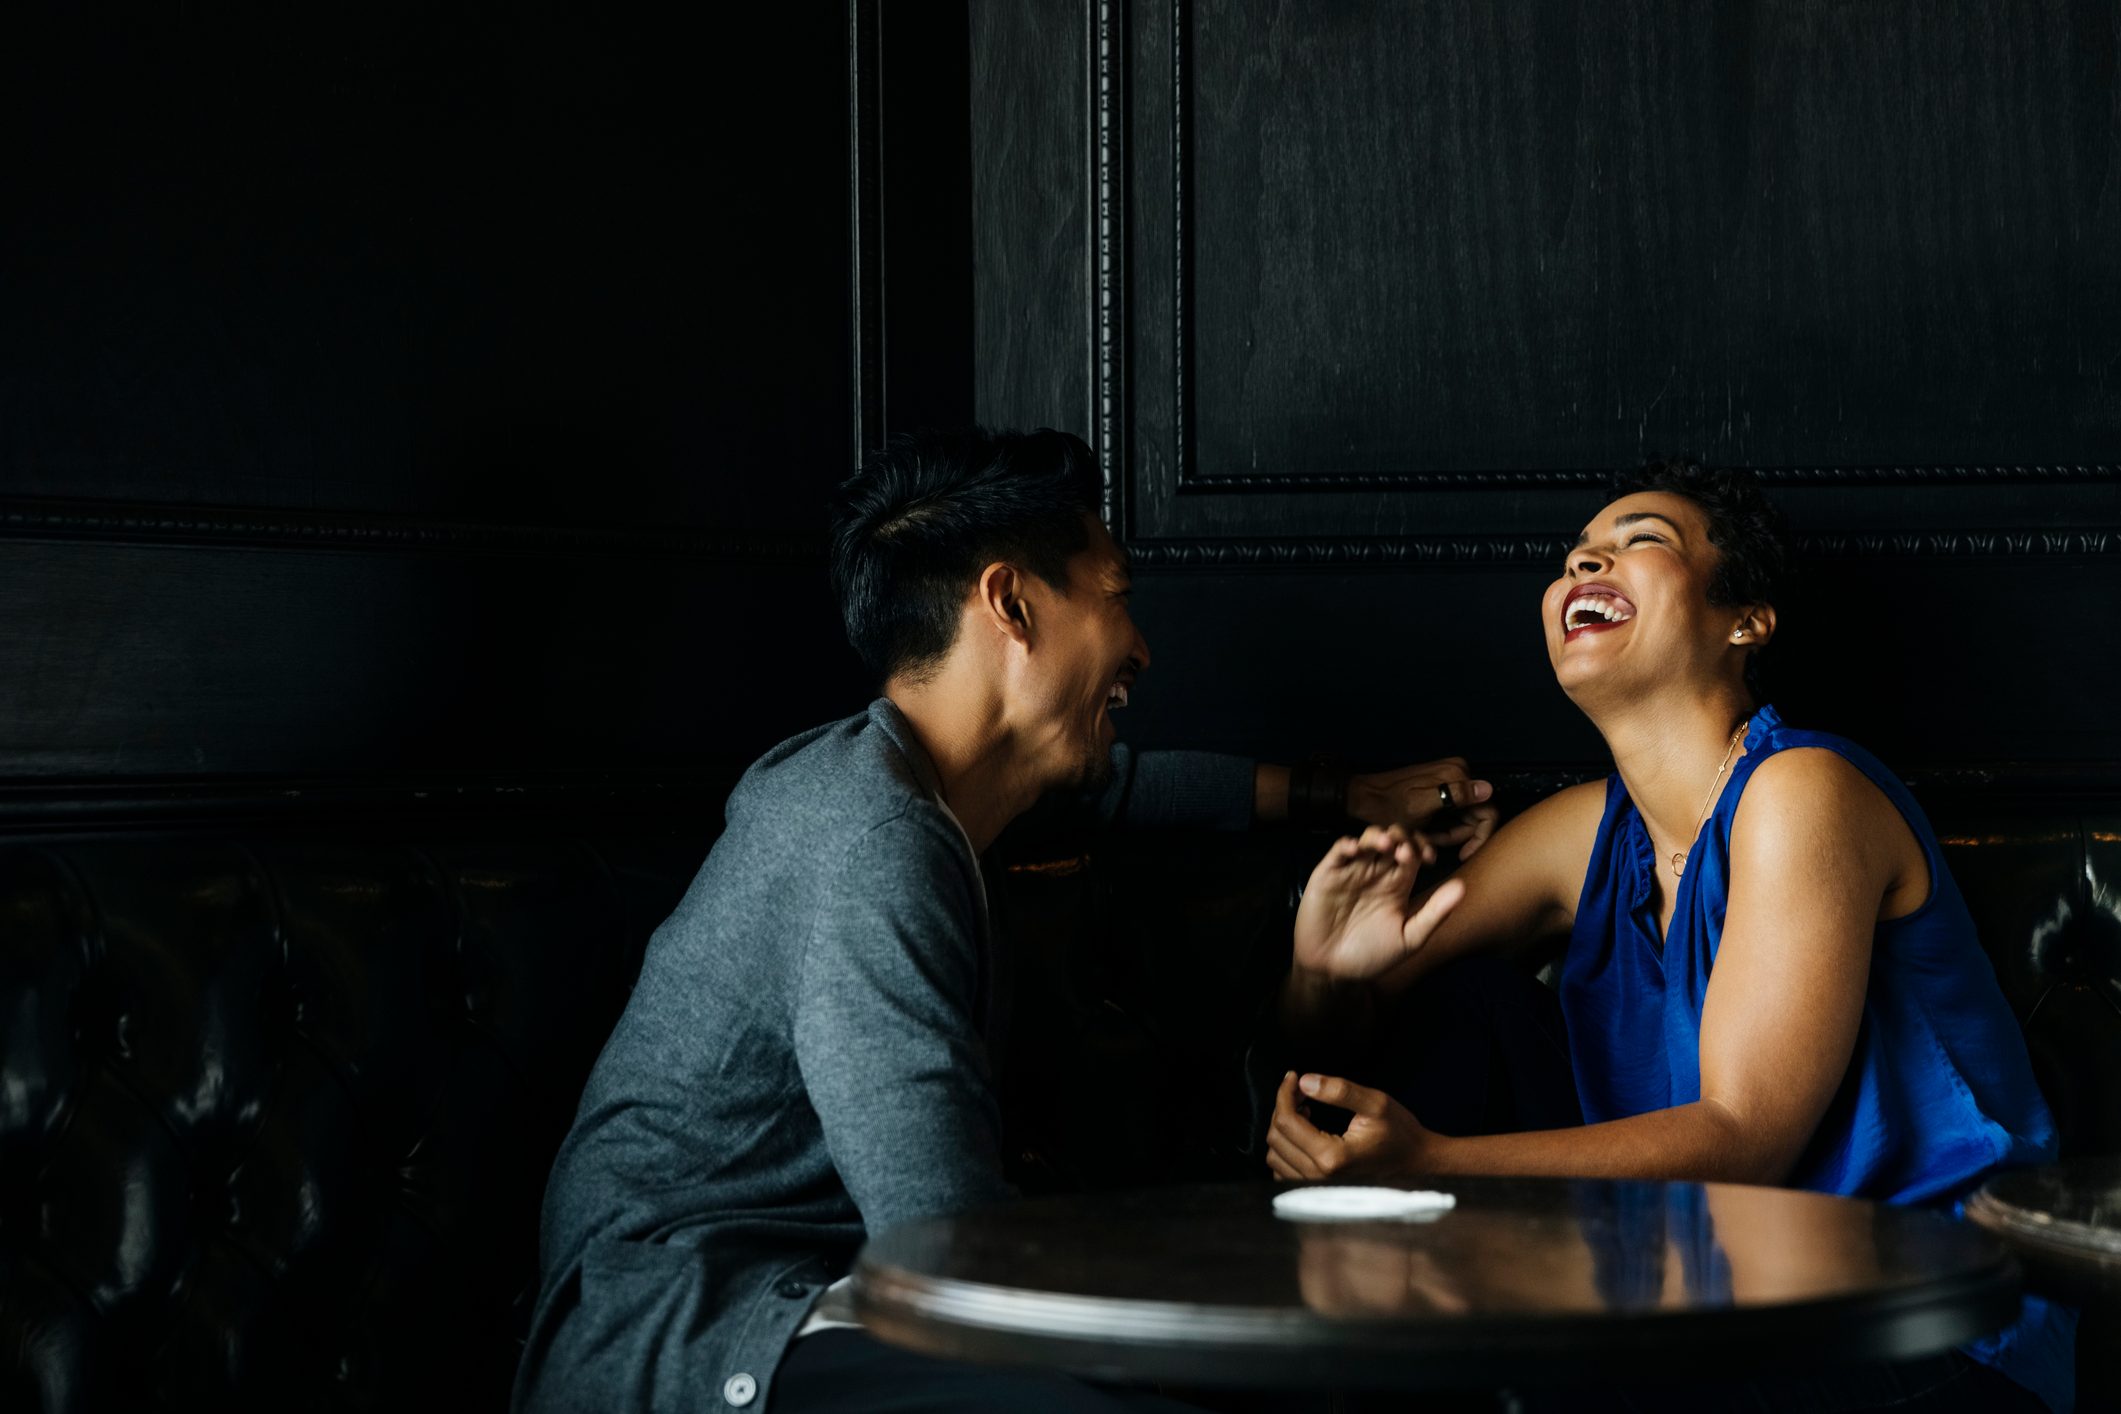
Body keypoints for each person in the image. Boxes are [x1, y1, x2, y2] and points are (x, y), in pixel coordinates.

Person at [512, 426, 1496, 1414]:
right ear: (1012, 604)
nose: (1142, 646)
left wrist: (1343, 792)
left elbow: (1125, 786)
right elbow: (941, 1234)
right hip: (692, 1330)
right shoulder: (870, 840)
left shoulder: (916, 776)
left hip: (831, 1296)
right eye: (1117, 596)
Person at [1270, 460, 2073, 1413]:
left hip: (1918, 1327)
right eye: (1574, 555)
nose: (1584, 561)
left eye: (1639, 539)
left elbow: (1743, 1143)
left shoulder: (1801, 794)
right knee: (1460, 1003)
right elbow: (1343, 1047)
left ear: (1746, 621)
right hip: (1697, 1308)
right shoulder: (1581, 837)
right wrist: (1324, 977)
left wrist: (1427, 1164)